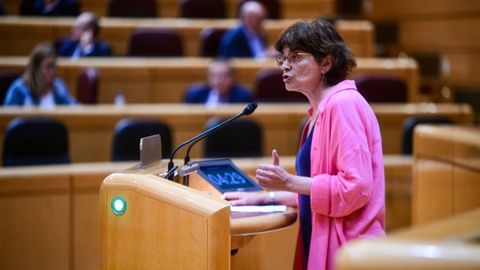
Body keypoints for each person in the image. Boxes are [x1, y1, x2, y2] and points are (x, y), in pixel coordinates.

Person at [222, 18, 385, 270]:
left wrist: (288, 181)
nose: (285, 66)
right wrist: (269, 197)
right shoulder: (317, 114)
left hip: (348, 250)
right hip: (324, 239)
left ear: (326, 63)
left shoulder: (344, 104)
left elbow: (355, 188)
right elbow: (317, 194)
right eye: (283, 59)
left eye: (296, 57)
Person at [4, 43, 77, 106]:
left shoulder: (58, 86)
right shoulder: (19, 89)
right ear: (36, 68)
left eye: (54, 67)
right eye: (48, 67)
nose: (53, 71)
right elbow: (6, 118)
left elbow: (74, 109)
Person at [183, 59, 254, 107]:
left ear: (232, 78)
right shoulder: (195, 94)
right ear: (208, 78)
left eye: (225, 76)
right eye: (215, 76)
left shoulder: (243, 96)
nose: (220, 80)